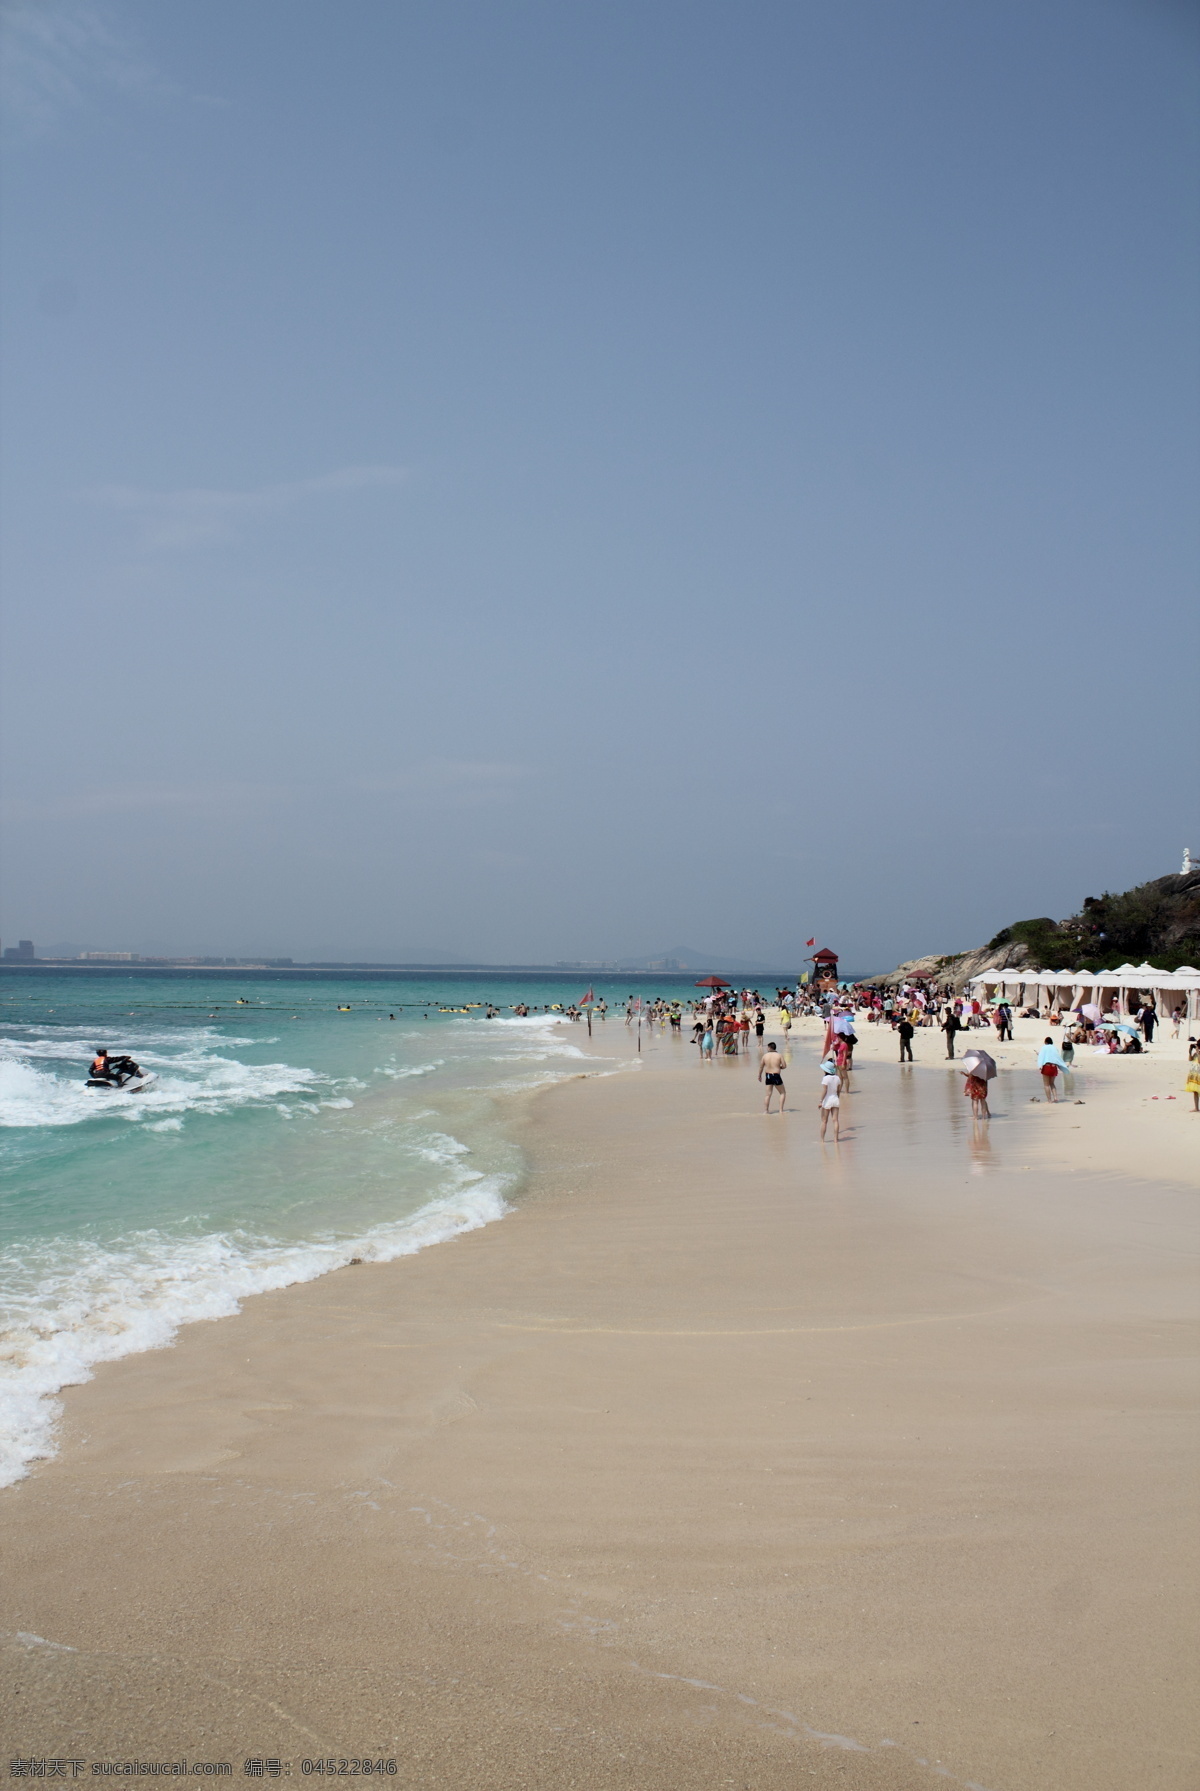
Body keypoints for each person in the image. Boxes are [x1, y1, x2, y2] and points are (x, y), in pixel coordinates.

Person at [758, 1042, 786, 1113]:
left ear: (770, 1048)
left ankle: (766, 1111)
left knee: (768, 1095)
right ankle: (780, 1110)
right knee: (782, 1093)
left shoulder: (765, 1056)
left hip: (768, 1075)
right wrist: (779, 1067)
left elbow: (761, 1066)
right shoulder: (779, 1055)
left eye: (767, 1047)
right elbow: (784, 1066)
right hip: (776, 1075)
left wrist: (759, 1075)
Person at [1038, 1037, 1067, 1102]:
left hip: (1047, 1066)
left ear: (1045, 1042)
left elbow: (1041, 1056)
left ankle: (1049, 1100)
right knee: (1052, 1083)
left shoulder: (1044, 1047)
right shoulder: (1054, 1048)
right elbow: (1057, 1057)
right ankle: (1055, 1098)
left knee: (1046, 1085)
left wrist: (1039, 1065)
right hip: (1054, 1067)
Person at [818, 1058, 840, 1140]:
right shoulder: (837, 1078)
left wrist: (820, 1101)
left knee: (824, 1121)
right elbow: (838, 1091)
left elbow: (824, 1090)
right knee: (835, 1120)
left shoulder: (825, 1078)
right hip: (835, 1099)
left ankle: (822, 1140)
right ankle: (835, 1139)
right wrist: (837, 1097)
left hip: (827, 1100)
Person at [1187, 1039, 1200, 1113]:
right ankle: (1196, 1107)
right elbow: (1190, 1059)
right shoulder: (1196, 1053)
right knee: (1195, 1091)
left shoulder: (1198, 1053)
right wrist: (1190, 1052)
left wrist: (1198, 1052)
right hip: (1194, 1074)